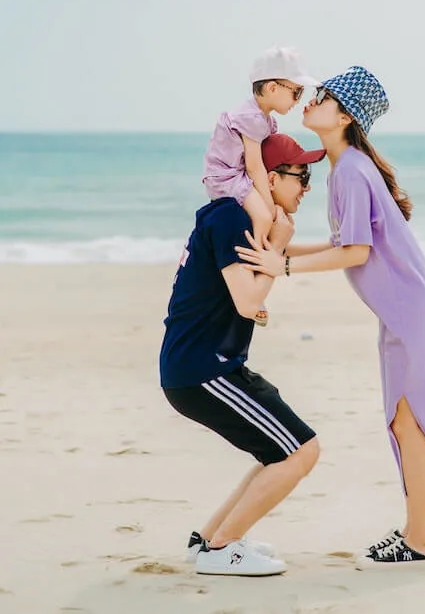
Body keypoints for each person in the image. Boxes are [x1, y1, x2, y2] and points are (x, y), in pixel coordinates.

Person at [236, 66, 425, 567]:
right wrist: (280, 248)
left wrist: (282, 265)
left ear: (345, 116)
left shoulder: (352, 170)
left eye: (323, 97)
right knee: (406, 424)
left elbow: (355, 252)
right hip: (404, 314)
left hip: (414, 313)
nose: (310, 100)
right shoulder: (344, 168)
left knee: (408, 422)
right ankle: (419, 532)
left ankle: (422, 538)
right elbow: (342, 245)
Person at [160, 133, 326, 576]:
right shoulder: (231, 218)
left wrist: (345, 249)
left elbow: (279, 255)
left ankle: (209, 541)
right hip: (202, 371)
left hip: (206, 367)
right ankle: (222, 549)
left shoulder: (234, 217)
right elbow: (250, 302)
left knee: (281, 452)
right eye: (301, 176)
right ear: (270, 178)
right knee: (300, 452)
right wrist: (276, 246)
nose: (307, 186)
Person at [202, 46, 319, 249]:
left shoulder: (263, 119)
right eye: (296, 92)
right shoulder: (252, 118)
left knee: (263, 215)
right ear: (272, 88)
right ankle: (259, 256)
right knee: (264, 218)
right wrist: (270, 207)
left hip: (235, 176)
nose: (298, 101)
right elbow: (254, 166)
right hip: (226, 177)